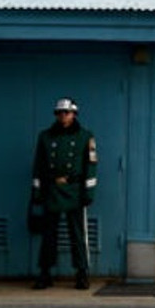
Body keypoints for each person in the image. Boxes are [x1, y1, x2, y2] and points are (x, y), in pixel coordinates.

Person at [30, 97, 98, 290]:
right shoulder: (45, 137)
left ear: (74, 114)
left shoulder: (85, 136)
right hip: (52, 189)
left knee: (77, 234)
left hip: (74, 190)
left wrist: (88, 192)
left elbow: (91, 166)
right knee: (48, 234)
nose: (62, 116)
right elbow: (38, 166)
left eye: (66, 113)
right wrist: (37, 191)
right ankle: (45, 272)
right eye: (59, 113)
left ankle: (82, 273)